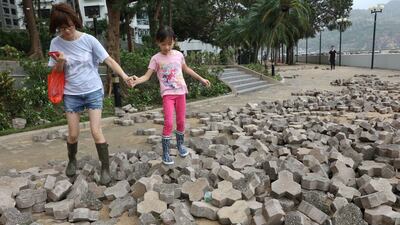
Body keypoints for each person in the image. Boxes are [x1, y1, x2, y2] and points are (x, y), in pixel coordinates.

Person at [48, 3, 134, 185]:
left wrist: (125, 76)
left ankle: (105, 168)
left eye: (69, 26)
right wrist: (61, 62)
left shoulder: (89, 40)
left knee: (96, 131)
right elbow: (55, 72)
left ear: (75, 22)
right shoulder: (56, 43)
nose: (66, 31)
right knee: (72, 134)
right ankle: (72, 160)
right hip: (71, 94)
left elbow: (108, 60)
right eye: (61, 28)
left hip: (93, 91)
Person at [131, 26, 211, 165]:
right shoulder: (156, 59)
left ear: (174, 41)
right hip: (168, 94)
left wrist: (201, 79)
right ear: (158, 42)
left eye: (170, 43)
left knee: (181, 122)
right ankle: (166, 152)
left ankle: (180, 145)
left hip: (181, 93)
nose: (167, 47)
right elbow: (147, 76)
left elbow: (186, 69)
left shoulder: (179, 55)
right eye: (163, 44)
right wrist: (137, 81)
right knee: (168, 123)